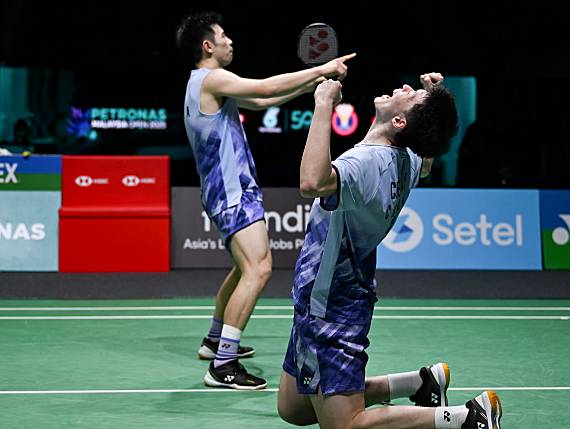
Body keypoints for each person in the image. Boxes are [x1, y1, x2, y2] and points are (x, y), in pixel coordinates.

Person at [277, 74, 503, 428]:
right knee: (294, 408)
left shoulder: (368, 162)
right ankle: (419, 382)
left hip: (329, 303)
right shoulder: (407, 160)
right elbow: (426, 158)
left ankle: (466, 417)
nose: (404, 88)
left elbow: (312, 182)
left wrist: (323, 104)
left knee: (345, 425)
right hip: (331, 293)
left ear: (399, 121)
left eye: (411, 97)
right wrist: (432, 99)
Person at [175, 11, 356, 390]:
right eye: (223, 36)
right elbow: (264, 89)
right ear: (207, 45)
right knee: (259, 268)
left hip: (223, 190)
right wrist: (319, 70)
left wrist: (311, 87)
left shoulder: (200, 85)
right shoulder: (211, 77)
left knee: (244, 268)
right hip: (231, 192)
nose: (230, 41)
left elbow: (257, 103)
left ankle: (214, 341)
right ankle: (223, 364)